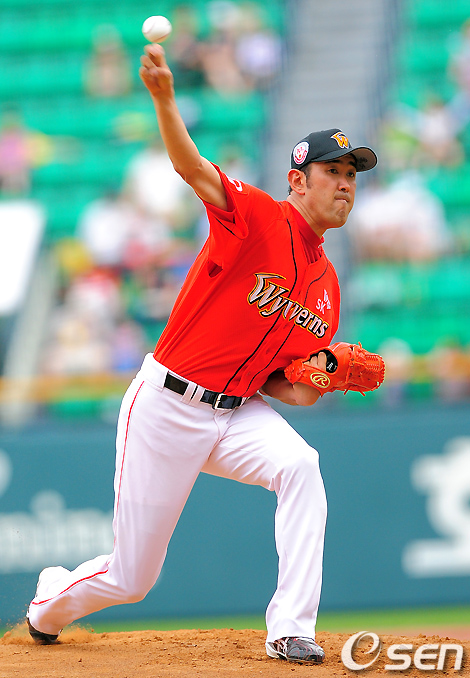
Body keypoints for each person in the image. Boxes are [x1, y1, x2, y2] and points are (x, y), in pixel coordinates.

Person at [26, 44, 377, 664]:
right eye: (334, 171)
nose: (346, 184)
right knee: (132, 579)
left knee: (301, 466)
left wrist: (323, 376)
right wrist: (165, 98)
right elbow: (192, 167)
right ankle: (48, 604)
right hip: (167, 404)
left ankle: (290, 627)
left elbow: (287, 387)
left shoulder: (327, 286)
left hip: (236, 412)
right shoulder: (257, 217)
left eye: (353, 174)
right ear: (298, 180)